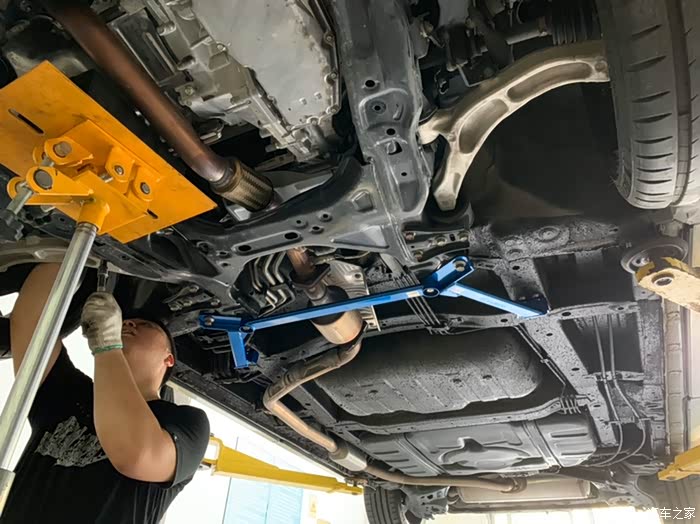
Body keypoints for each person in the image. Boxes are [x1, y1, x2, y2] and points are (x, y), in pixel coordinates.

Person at [0, 263, 210, 523]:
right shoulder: (70, 395)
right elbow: (28, 322)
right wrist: (68, 259)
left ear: (169, 359)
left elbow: (137, 455)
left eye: (145, 325)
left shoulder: (186, 422)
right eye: (122, 321)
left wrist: (107, 345)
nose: (128, 323)